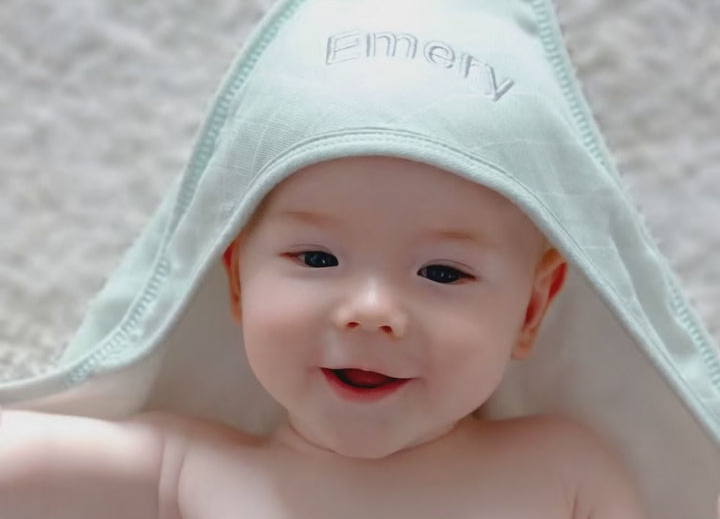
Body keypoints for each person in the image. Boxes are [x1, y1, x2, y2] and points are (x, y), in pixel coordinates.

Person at [0, 154, 649, 518]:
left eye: (443, 272)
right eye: (316, 259)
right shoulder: (197, 469)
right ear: (237, 286)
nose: (370, 311)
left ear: (530, 313)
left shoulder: (562, 469)